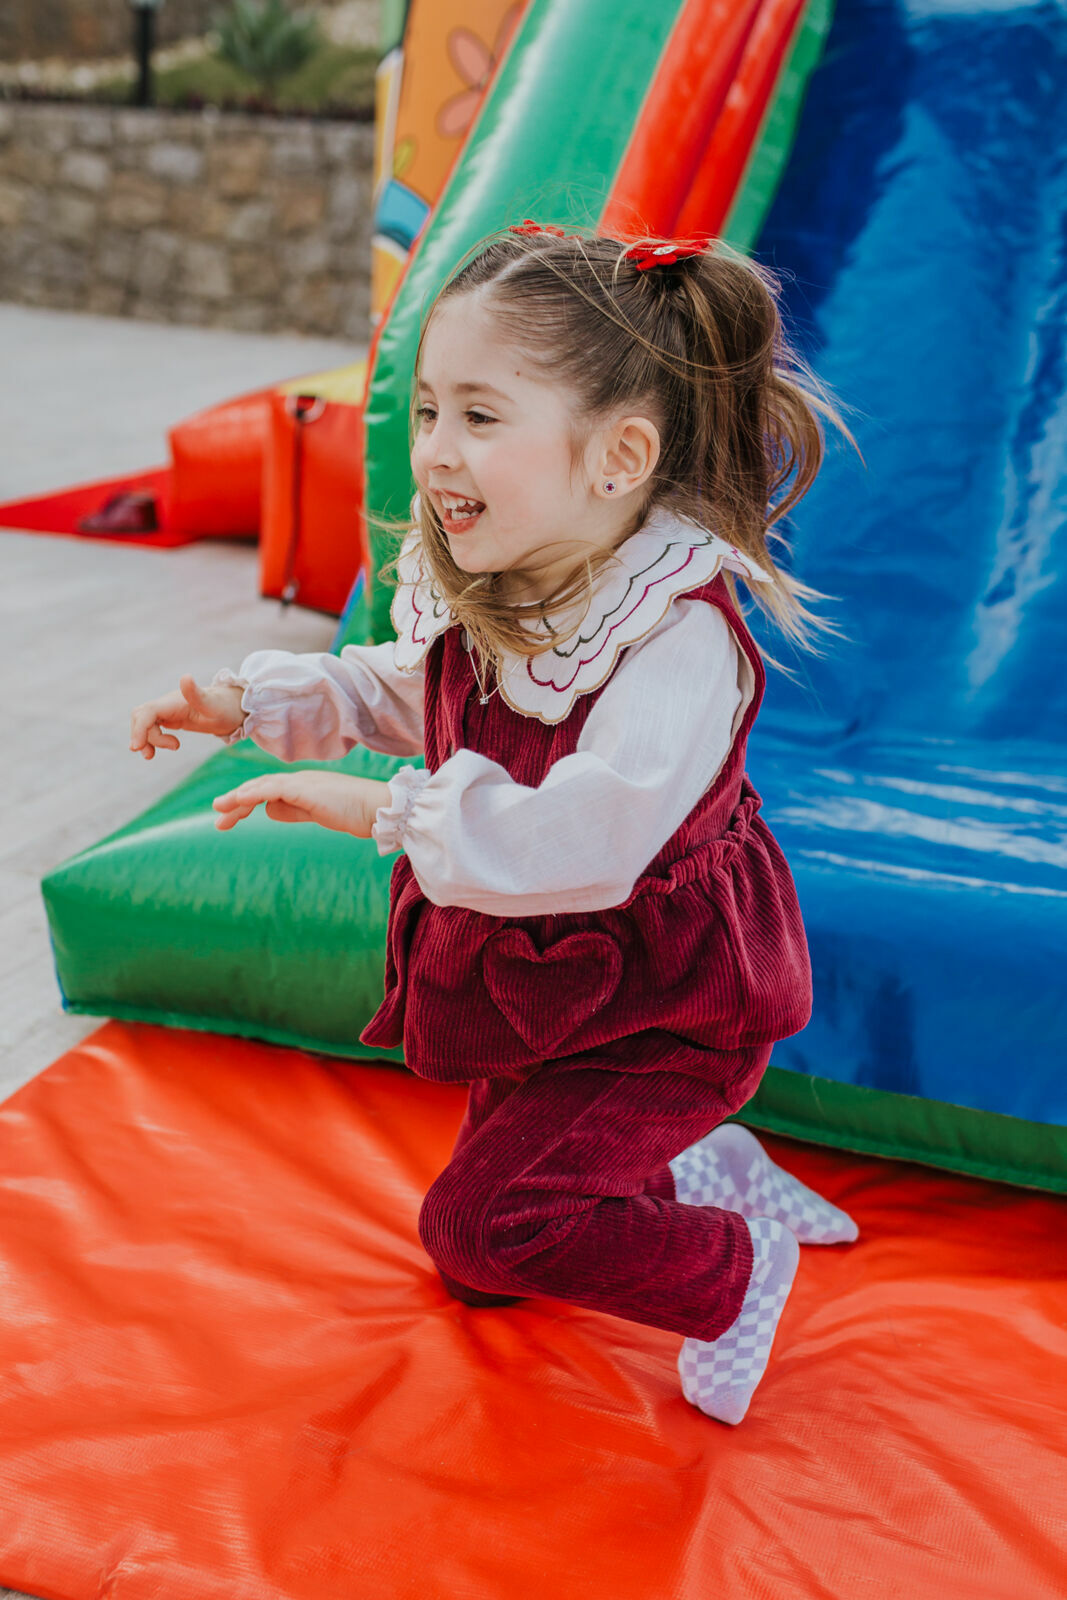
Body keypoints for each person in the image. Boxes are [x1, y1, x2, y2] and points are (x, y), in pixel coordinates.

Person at [129, 223, 862, 1426]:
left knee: (488, 1220)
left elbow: (583, 840)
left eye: (478, 416)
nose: (433, 451)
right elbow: (417, 689)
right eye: (424, 411)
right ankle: (693, 1168)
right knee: (477, 1263)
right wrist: (251, 701)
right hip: (543, 982)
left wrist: (379, 808)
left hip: (664, 1002)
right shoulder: (517, 571)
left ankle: (733, 1269)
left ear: (617, 455)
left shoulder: (672, 642)